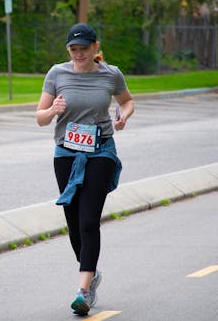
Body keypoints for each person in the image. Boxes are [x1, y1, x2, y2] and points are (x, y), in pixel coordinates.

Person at [36, 23, 134, 316]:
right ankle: (91, 274)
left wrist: (122, 116)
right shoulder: (57, 73)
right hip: (66, 152)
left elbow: (127, 101)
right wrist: (52, 111)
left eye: (84, 48)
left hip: (100, 150)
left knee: (89, 219)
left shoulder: (110, 74)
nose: (79, 54)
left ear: (95, 47)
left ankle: (83, 289)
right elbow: (40, 118)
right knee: (74, 220)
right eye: (73, 49)